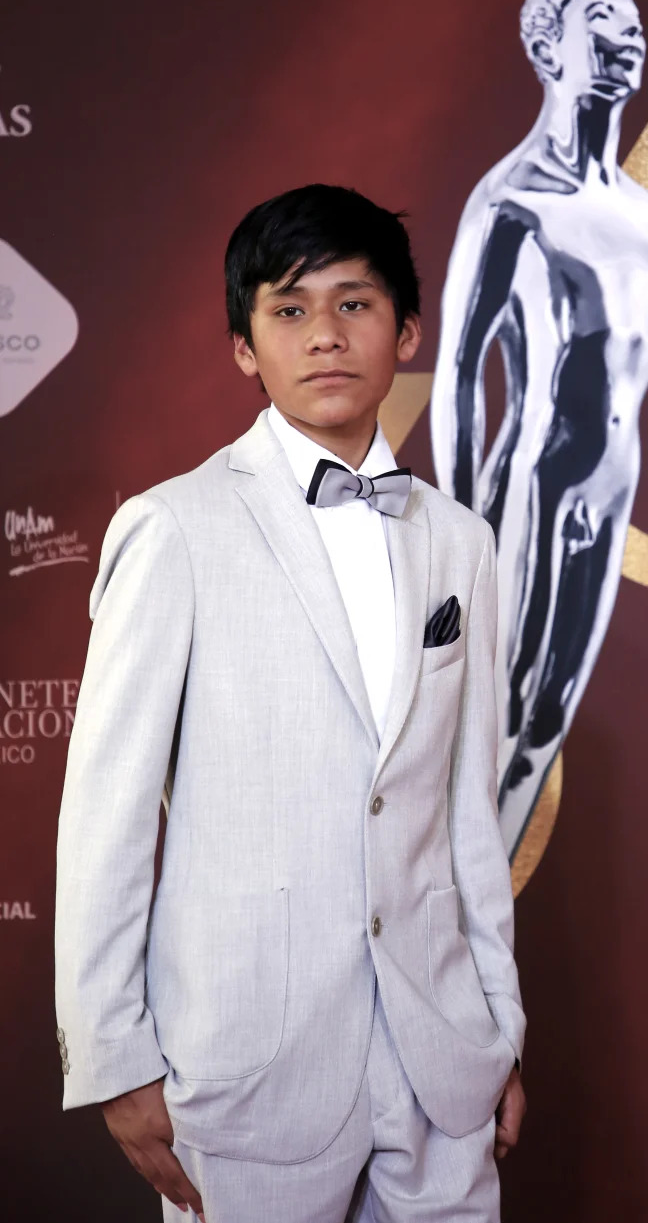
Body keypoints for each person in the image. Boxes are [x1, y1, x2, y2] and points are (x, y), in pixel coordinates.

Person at [54, 184, 526, 1223]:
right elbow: (107, 820)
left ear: (407, 333)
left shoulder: (463, 544)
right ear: (243, 346)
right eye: (290, 309)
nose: (325, 336)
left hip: (439, 1059)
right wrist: (112, 1056)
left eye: (354, 305)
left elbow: (467, 819)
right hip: (247, 1066)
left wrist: (497, 1030)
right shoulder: (173, 528)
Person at [430, 0, 648, 859]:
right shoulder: (511, 201)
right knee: (493, 715)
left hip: (612, 488)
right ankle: (438, 946)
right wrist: (462, 526)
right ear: (547, 49)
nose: (627, 31)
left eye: (634, 14)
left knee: (548, 717)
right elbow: (458, 369)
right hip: (531, 482)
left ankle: (479, 943)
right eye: (602, 16)